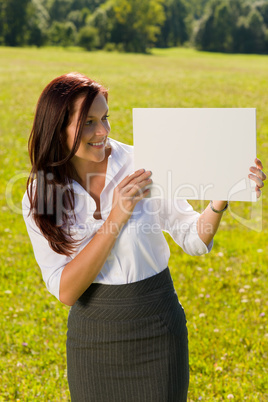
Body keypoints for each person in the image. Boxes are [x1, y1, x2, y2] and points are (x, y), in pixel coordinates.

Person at [22, 72, 266, 402]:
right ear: (56, 128)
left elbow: (194, 239)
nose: (103, 132)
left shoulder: (142, 165)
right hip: (92, 337)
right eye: (89, 122)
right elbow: (65, 290)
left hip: (157, 330)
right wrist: (116, 216)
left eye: (105, 117)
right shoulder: (40, 194)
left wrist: (221, 198)